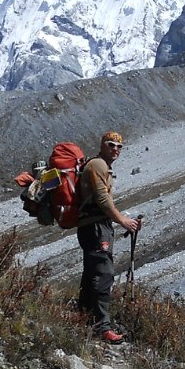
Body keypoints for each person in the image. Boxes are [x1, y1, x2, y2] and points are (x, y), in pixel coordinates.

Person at [76, 131, 141, 344]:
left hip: (95, 226)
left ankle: (83, 318)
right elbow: (103, 200)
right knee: (104, 274)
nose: (115, 149)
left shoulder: (101, 166)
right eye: (111, 144)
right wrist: (123, 221)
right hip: (95, 227)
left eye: (119, 146)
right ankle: (103, 327)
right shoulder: (98, 166)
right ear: (102, 145)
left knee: (92, 273)